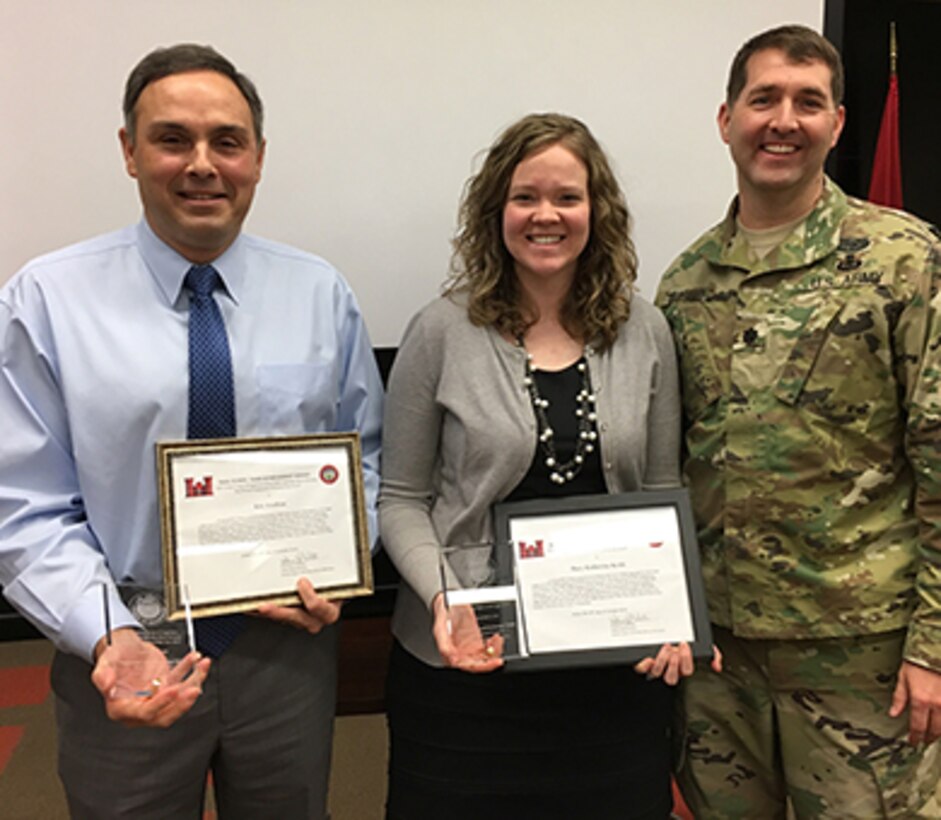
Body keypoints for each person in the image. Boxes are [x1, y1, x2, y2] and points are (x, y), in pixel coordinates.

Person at [0, 44, 382, 819]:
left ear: (259, 159)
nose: (203, 164)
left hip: (285, 650)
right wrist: (108, 636)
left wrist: (337, 564)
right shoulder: (45, 300)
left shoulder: (319, 293)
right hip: (126, 646)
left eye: (227, 142)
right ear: (130, 152)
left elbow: (365, 457)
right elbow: (25, 504)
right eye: (173, 139)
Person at [379, 113, 714, 820]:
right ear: (494, 209)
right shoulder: (439, 332)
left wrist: (673, 613)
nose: (546, 215)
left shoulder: (643, 329)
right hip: (464, 673)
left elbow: (659, 491)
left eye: (566, 197)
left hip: (610, 677)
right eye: (525, 197)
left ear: (597, 210)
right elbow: (401, 498)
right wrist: (448, 600)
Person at [656, 23, 941, 819]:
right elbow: (671, 467)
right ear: (725, 119)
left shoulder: (902, 258)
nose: (783, 120)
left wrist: (934, 648)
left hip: (860, 662)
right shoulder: (685, 283)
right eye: (763, 99)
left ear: (837, 123)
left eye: (807, 102)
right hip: (720, 663)